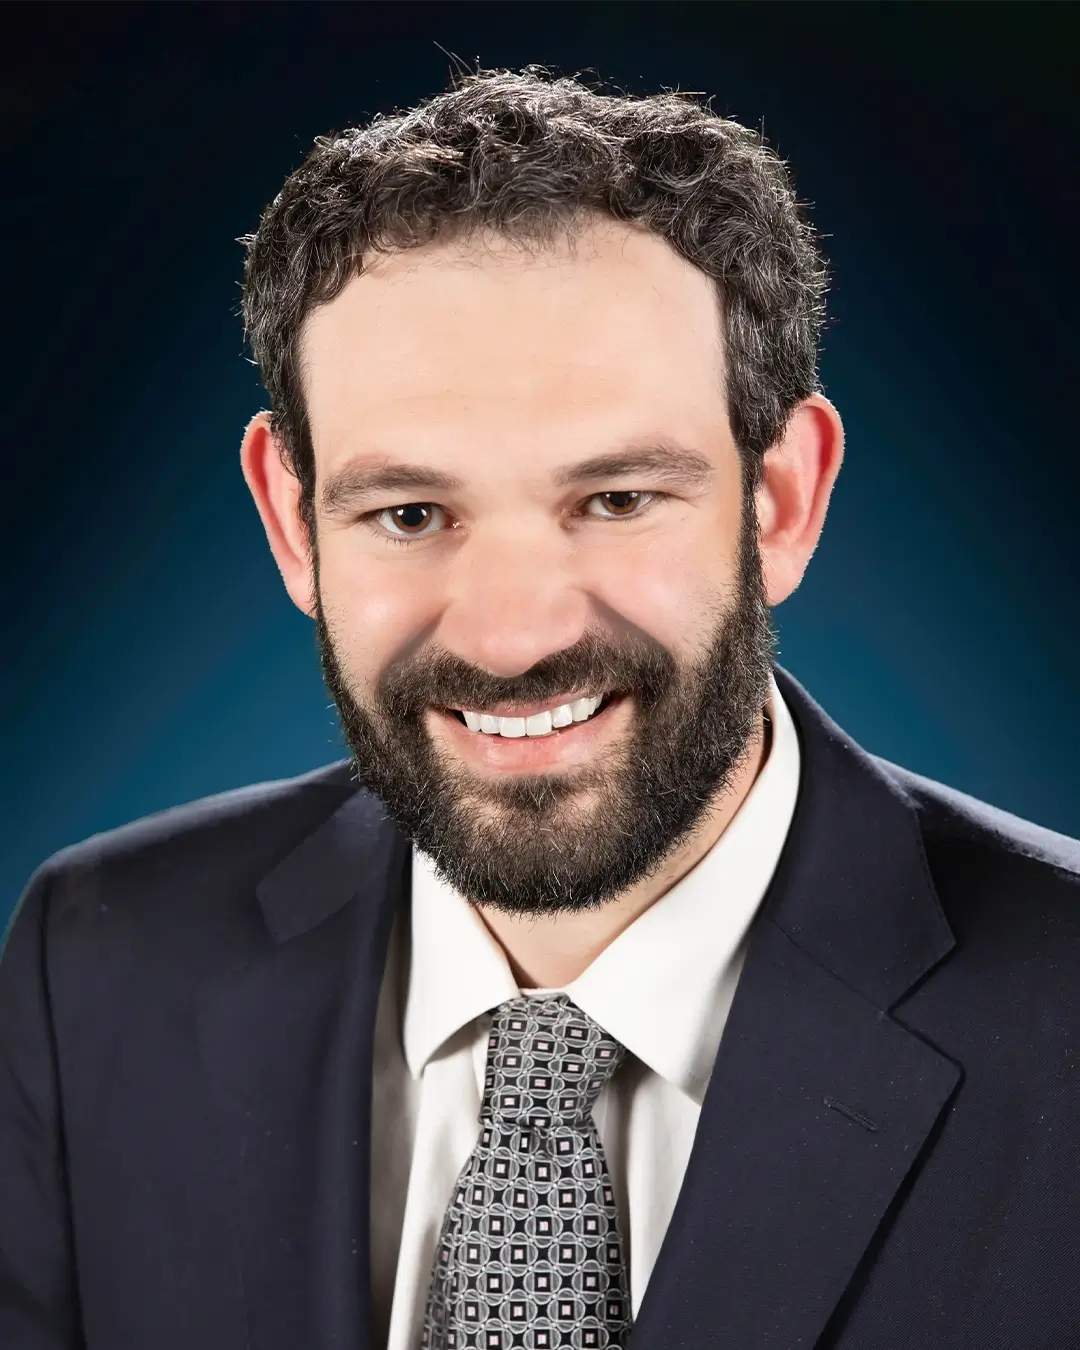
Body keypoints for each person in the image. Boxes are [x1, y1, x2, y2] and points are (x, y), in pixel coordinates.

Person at [1, 64, 1078, 1350]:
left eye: (616, 499)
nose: (514, 636)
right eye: (410, 514)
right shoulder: (97, 961)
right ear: (293, 523)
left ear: (781, 499)